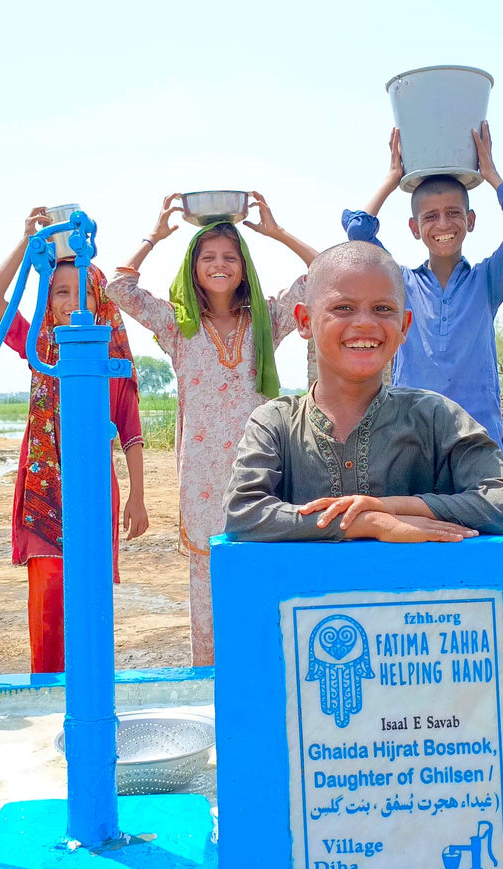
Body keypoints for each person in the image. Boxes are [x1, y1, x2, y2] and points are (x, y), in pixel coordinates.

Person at [107, 192, 318, 665]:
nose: (220, 265)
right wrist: (154, 236)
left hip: (263, 474)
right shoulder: (177, 325)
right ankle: (209, 691)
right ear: (193, 266)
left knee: (261, 581)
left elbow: (324, 270)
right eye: (209, 257)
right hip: (202, 484)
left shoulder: (266, 317)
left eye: (230, 257)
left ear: (244, 266)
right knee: (206, 594)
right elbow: (118, 289)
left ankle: (263, 681)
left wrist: (276, 232)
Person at [223, 242, 503, 543]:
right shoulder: (275, 423)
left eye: (383, 308)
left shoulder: (435, 416)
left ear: (404, 326)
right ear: (305, 321)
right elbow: (243, 512)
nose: (364, 323)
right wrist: (369, 523)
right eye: (343, 307)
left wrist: (395, 507)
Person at [0, 208, 149, 673]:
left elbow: (131, 431)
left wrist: (138, 496)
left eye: (81, 293)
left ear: (99, 303)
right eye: (59, 292)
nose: (69, 302)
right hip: (43, 493)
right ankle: (48, 698)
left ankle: (93, 694)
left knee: (91, 605)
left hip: (95, 491)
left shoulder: (112, 360)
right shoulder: (39, 346)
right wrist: (25, 242)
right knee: (48, 604)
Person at [342, 124, 503, 457]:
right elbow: (358, 232)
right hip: (411, 438)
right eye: (430, 217)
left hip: (478, 439)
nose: (444, 225)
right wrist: (393, 177)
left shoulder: (488, 282)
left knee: (491, 509)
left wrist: (490, 173)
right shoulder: (399, 282)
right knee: (414, 510)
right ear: (415, 228)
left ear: (471, 220)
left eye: (453, 213)